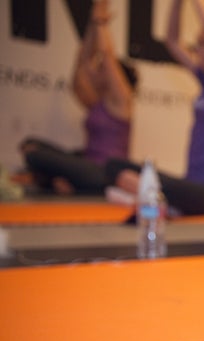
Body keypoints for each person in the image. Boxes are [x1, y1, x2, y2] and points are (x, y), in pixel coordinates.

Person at [106, 0, 204, 216]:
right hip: (190, 183)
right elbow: (172, 41)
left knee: (136, 181)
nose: (197, 49)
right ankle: (160, 202)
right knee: (115, 167)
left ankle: (155, 201)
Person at [20, 0, 136, 196]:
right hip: (87, 166)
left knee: (36, 156)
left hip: (105, 174)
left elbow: (107, 56)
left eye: (100, 69)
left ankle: (64, 183)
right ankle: (66, 183)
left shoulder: (122, 101)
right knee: (31, 145)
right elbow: (83, 61)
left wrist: (100, 20)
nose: (95, 71)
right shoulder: (95, 101)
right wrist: (92, 23)